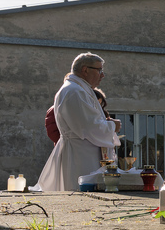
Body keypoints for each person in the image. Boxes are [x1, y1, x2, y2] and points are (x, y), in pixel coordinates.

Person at [32, 53, 122, 192]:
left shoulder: (80, 89)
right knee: (81, 193)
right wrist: (112, 126)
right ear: (85, 70)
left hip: (83, 151)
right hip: (80, 155)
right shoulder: (75, 91)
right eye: (99, 70)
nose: (102, 75)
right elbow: (89, 127)